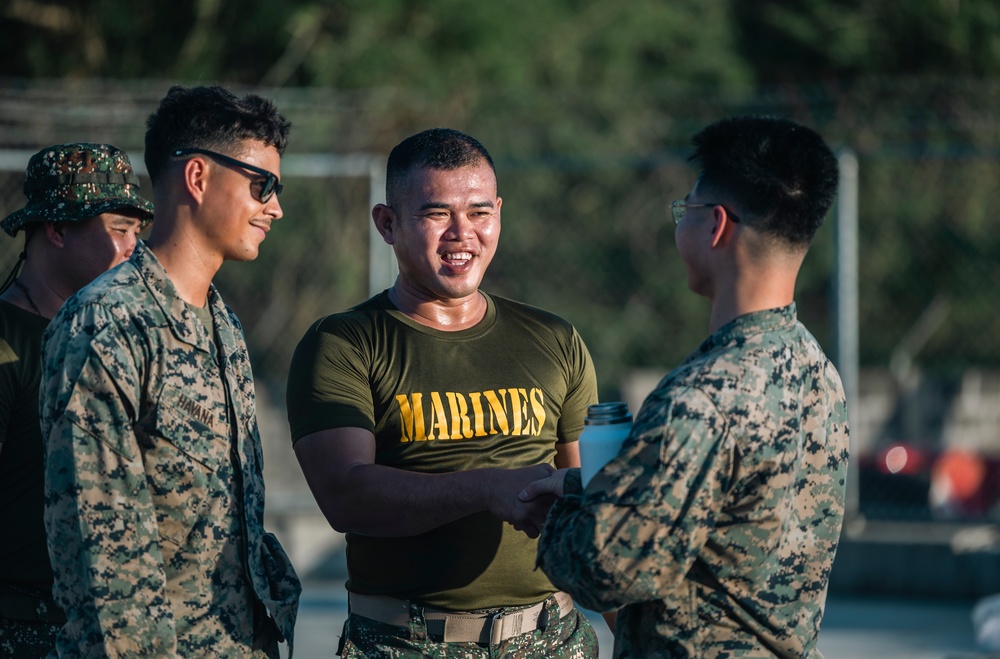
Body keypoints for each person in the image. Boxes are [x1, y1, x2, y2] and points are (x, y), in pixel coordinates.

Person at [523, 115, 851, 658]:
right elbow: (729, 520)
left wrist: (560, 515)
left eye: (686, 211)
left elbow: (601, 571)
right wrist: (584, 487)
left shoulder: (701, 398)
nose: (681, 226)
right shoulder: (815, 368)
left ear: (717, 226)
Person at [286, 127, 601, 657]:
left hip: (554, 637)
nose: (463, 233)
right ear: (387, 224)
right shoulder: (343, 343)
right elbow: (345, 497)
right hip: (406, 642)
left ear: (499, 211)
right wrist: (484, 488)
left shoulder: (554, 338)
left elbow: (585, 502)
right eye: (437, 214)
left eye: (480, 212)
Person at [39, 85, 300, 657]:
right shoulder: (106, 324)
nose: (274, 207)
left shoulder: (221, 322)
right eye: (263, 186)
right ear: (199, 177)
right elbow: (97, 558)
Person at [0, 143, 154, 657]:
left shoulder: (112, 337)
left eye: (138, 231)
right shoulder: (8, 341)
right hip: (19, 624)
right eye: (119, 229)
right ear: (58, 230)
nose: (135, 249)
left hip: (97, 622)